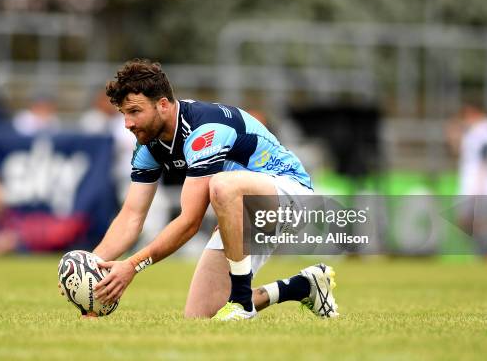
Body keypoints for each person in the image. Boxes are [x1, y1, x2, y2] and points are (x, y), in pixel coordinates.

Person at [85, 59, 338, 320]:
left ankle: (241, 301)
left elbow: (190, 221)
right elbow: (131, 216)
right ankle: (305, 286)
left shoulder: (203, 129)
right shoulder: (148, 145)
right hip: (242, 210)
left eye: (135, 112)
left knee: (222, 185)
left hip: (291, 194)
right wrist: (89, 269)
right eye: (124, 114)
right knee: (201, 316)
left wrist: (132, 265)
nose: (127, 123)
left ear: (162, 104)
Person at [448, 101, 487, 262]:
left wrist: (479, 187)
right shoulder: (471, 131)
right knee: (464, 221)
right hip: (468, 185)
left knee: (481, 223)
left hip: (481, 187)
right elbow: (458, 152)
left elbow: (486, 159)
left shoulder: (486, 129)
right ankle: (484, 254)